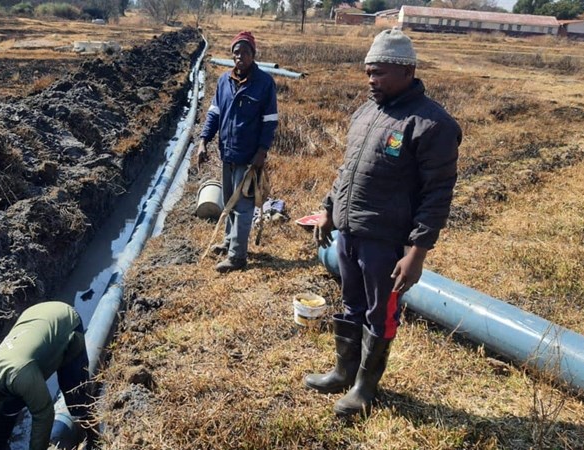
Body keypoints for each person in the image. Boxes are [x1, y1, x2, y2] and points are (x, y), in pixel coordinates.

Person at [306, 29, 461, 418]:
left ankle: (364, 387)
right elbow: (347, 171)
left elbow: (437, 195)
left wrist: (417, 253)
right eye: (368, 72)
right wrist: (328, 209)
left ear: (407, 70)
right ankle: (344, 371)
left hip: (386, 242)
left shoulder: (432, 124)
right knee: (351, 303)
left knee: (381, 312)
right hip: (350, 232)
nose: (371, 80)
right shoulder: (365, 113)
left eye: (380, 72)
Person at [0, 301, 90, 450]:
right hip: (34, 317)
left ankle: (92, 436)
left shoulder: (19, 375)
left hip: (64, 320)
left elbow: (44, 414)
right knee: (10, 406)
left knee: (76, 398)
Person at [197, 30, 278, 273]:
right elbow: (214, 113)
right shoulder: (224, 82)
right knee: (229, 202)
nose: (239, 56)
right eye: (236, 52)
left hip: (249, 157)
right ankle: (230, 241)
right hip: (228, 154)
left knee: (243, 207)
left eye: (244, 52)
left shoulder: (264, 84)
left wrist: (262, 152)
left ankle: (237, 257)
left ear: (253, 55)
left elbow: (270, 121)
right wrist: (203, 140)